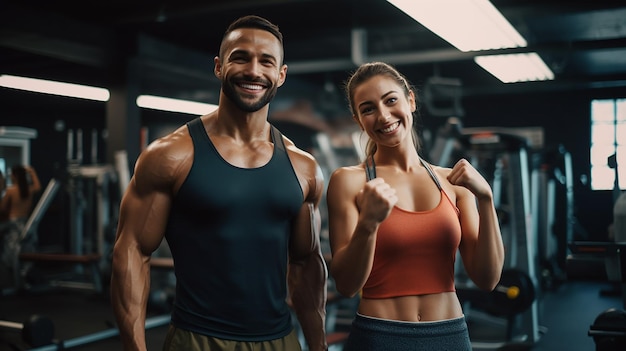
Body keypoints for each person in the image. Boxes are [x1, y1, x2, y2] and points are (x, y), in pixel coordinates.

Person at [110, 15, 328, 351]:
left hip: (280, 341)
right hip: (197, 339)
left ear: (281, 75)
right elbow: (132, 252)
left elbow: (306, 263)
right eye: (240, 57)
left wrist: (318, 346)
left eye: (266, 61)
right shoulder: (171, 155)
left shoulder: (304, 168)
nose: (253, 71)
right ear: (218, 66)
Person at [326, 62, 505, 350]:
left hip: (449, 336)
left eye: (390, 100)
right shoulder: (349, 181)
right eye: (368, 109)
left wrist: (486, 199)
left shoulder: (454, 182)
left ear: (410, 100)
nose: (383, 116)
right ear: (359, 120)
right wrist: (369, 224)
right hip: (379, 336)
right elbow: (346, 286)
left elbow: (488, 279)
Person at [0, 165, 41, 268]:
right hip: (25, 223)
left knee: (11, 252)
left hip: (12, 224)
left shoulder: (11, 191)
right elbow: (38, 186)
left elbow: (2, 208)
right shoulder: (29, 190)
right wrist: (31, 171)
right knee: (24, 250)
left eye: (11, 174)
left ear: (15, 176)